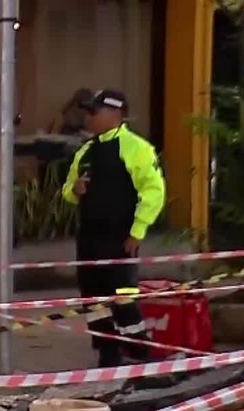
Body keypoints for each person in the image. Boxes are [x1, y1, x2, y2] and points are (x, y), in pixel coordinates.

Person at [62, 89, 164, 367]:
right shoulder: (85, 151)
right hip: (89, 239)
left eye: (94, 112)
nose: (88, 117)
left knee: (123, 300)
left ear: (115, 115)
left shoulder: (137, 148)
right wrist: (74, 189)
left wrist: (137, 231)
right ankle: (107, 356)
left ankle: (142, 357)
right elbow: (67, 192)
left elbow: (154, 191)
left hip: (121, 239)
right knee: (93, 303)